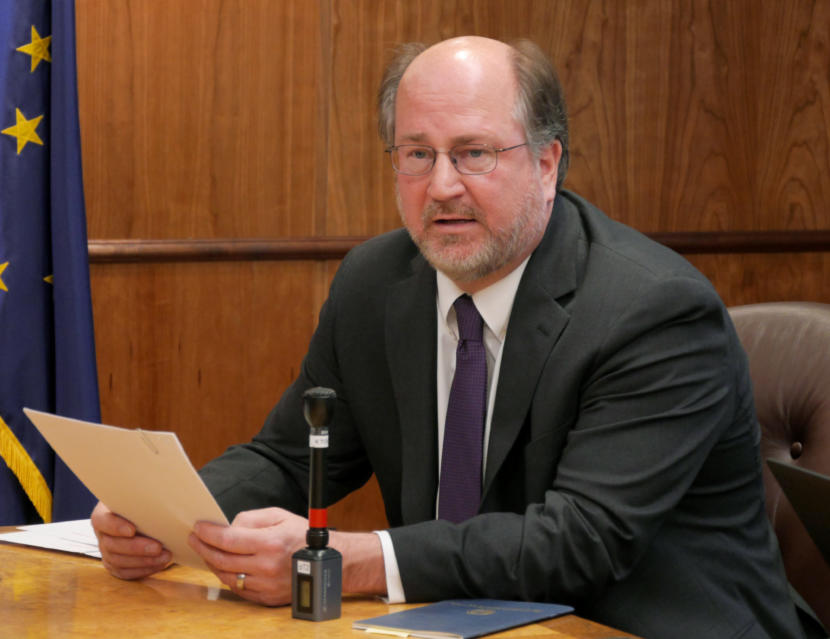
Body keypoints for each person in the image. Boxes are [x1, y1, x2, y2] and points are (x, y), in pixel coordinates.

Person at [92, 36, 808, 638]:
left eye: (473, 152)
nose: (441, 187)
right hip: (458, 622)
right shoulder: (378, 282)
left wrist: (352, 557)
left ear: (547, 162)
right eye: (416, 154)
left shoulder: (651, 310)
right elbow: (290, 455)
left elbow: (579, 540)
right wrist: (171, 513)